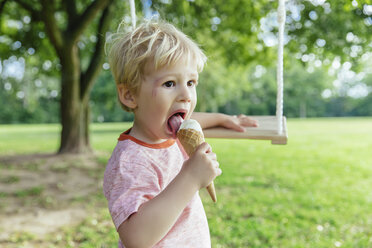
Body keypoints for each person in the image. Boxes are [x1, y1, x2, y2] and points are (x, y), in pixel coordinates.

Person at [103, 20, 257, 248]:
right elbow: (136, 238)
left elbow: (195, 121)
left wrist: (224, 118)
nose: (186, 94)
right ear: (129, 95)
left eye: (191, 82)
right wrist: (191, 178)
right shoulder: (130, 160)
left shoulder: (168, 132)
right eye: (169, 83)